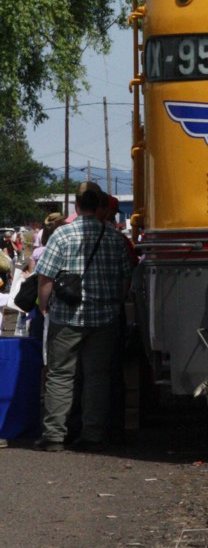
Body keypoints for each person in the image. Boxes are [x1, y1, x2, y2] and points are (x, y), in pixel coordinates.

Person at [33, 181, 133, 452]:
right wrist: (115, 302)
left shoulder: (62, 236)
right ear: (100, 205)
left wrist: (45, 306)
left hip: (66, 316)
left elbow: (46, 276)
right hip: (103, 318)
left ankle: (54, 435)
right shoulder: (114, 238)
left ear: (76, 206)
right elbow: (126, 278)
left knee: (60, 375)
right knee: (97, 376)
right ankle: (92, 435)